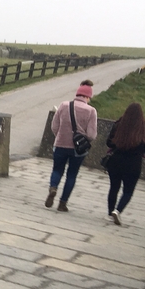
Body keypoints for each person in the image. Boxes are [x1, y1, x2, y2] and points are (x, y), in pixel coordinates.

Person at [103, 102, 145, 225]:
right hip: (133, 164)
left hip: (116, 161)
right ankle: (118, 211)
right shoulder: (144, 128)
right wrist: (142, 149)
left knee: (114, 187)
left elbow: (109, 143)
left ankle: (110, 212)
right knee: (128, 191)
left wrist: (118, 145)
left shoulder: (118, 125)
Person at [45, 79, 98, 212]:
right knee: (72, 175)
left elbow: (54, 126)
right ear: (87, 96)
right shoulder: (91, 111)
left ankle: (53, 187)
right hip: (78, 150)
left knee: (57, 170)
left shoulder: (63, 105)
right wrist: (82, 138)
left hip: (60, 144)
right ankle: (62, 204)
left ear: (77, 94)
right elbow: (92, 135)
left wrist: (61, 135)